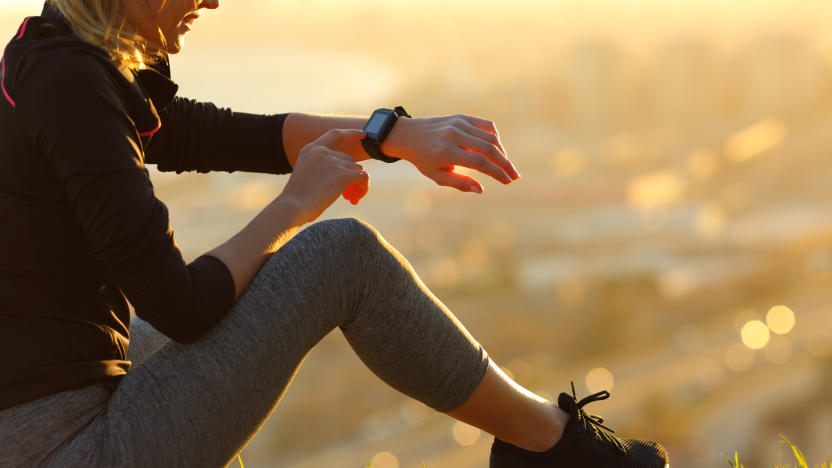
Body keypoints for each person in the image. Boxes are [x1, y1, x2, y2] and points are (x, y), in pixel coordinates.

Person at [0, 1, 670, 467]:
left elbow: (213, 132)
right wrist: (294, 204)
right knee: (341, 257)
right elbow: (182, 307)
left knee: (232, 301)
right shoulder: (75, 89)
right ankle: (553, 449)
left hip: (44, 417)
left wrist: (392, 136)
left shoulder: (46, 53)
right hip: (67, 450)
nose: (211, 1)